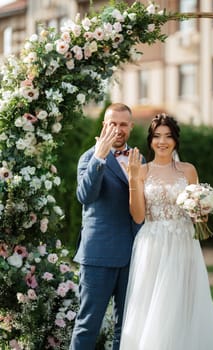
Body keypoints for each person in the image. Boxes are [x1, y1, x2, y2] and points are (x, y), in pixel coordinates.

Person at [119, 114, 213, 350]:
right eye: (157, 136)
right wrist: (132, 178)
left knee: (184, 300)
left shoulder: (188, 170)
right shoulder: (141, 171)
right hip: (152, 243)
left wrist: (201, 211)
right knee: (153, 303)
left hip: (183, 241)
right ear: (150, 140)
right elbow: (139, 216)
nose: (163, 141)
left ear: (175, 140)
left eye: (168, 136)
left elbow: (195, 210)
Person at [70, 103, 144, 350]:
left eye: (123, 124)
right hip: (98, 256)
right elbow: (85, 196)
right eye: (113, 123)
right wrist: (99, 157)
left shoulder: (139, 158)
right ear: (104, 125)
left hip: (132, 255)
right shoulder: (88, 157)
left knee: (126, 327)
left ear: (131, 127)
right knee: (88, 324)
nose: (118, 129)